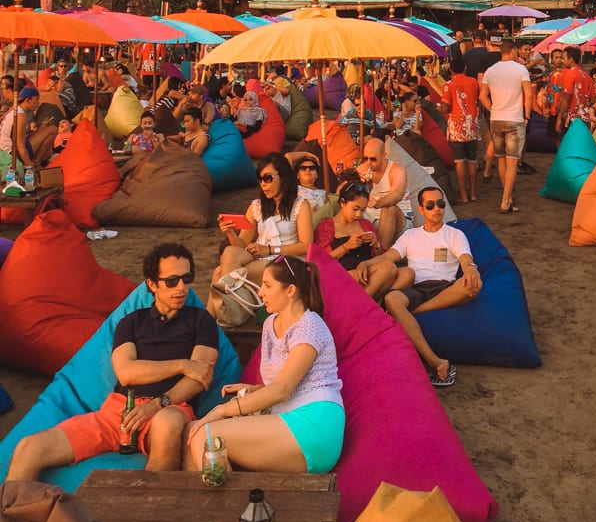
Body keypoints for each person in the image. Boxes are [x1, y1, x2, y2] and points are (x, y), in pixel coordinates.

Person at [6, 243, 218, 481]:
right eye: (171, 281)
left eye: (187, 278)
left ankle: (148, 506)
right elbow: (127, 373)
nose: (181, 287)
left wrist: (157, 404)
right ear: (151, 284)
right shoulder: (131, 322)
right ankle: (10, 513)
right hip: (119, 411)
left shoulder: (202, 321)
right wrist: (181, 364)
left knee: (167, 423)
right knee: (29, 448)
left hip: (171, 408)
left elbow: (200, 377)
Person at [187, 256, 344, 474]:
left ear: (290, 291)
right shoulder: (271, 323)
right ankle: (220, 505)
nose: (260, 292)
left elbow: (282, 390)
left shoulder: (309, 326)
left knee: (207, 438)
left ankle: (226, 507)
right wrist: (254, 390)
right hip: (286, 418)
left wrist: (223, 410)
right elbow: (286, 381)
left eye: (267, 285)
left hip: (315, 422)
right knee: (194, 436)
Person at [357, 186, 481, 387]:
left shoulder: (454, 234)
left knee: (471, 286)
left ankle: (405, 314)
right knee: (392, 298)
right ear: (421, 209)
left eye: (440, 204)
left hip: (444, 287)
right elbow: (389, 256)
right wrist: (365, 263)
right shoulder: (411, 235)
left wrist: (471, 268)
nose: (437, 209)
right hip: (417, 287)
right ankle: (435, 361)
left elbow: (466, 258)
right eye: (430, 205)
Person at [208, 153, 314, 307]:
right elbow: (242, 245)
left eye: (268, 178)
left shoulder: (300, 205)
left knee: (219, 273)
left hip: (286, 260)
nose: (263, 184)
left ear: (283, 177)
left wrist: (270, 250)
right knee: (230, 251)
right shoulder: (256, 206)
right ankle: (226, 312)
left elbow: (306, 245)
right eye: (260, 179)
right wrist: (230, 233)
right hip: (259, 257)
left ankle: (218, 317)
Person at [314, 172, 397, 300]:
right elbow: (321, 261)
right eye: (355, 208)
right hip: (342, 275)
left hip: (367, 274)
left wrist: (376, 246)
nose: (359, 214)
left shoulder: (366, 225)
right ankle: (364, 303)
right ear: (342, 203)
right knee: (388, 269)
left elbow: (379, 257)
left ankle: (362, 302)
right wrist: (346, 246)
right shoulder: (327, 226)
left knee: (406, 274)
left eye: (363, 210)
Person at [479, 39, 532, 215]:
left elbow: (482, 96)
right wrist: (527, 115)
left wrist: (492, 108)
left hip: (496, 119)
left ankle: (508, 198)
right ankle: (505, 200)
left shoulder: (491, 71)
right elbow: (529, 94)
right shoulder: (521, 69)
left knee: (500, 158)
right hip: (514, 119)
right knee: (513, 161)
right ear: (514, 51)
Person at [441, 55, 480, 203]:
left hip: (456, 127)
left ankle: (463, 195)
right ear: (465, 68)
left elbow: (445, 107)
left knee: (459, 161)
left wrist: (440, 108)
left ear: (450, 69)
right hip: (472, 126)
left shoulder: (448, 85)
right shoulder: (474, 82)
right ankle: (473, 193)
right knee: (471, 160)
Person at [359, 137, 411, 249]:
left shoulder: (396, 170)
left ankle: (380, 253)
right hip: (372, 220)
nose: (368, 163)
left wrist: (378, 203)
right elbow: (343, 191)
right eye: (365, 158)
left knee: (388, 208)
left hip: (398, 222)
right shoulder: (362, 169)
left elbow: (397, 195)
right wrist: (358, 185)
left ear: (384, 155)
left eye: (373, 159)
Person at [555, 47, 594, 138]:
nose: (562, 61)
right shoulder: (587, 76)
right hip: (585, 118)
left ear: (571, 59)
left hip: (572, 119)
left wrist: (559, 118)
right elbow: (592, 100)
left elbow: (566, 98)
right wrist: (583, 104)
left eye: (564, 58)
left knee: (568, 148)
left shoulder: (571, 73)